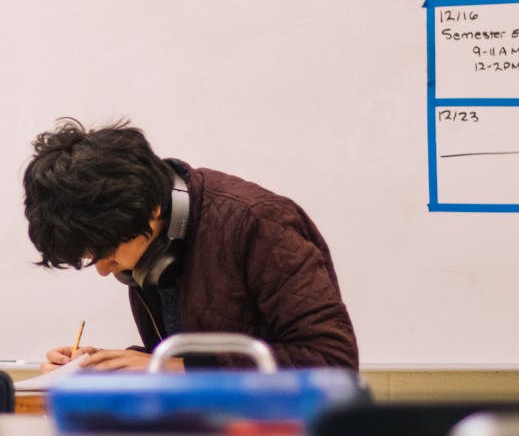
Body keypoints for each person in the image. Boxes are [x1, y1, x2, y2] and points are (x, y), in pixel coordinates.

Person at [22, 118, 358, 372]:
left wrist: (171, 369)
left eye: (107, 253)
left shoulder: (258, 221)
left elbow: (331, 361)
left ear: (151, 209)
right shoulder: (153, 243)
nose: (103, 270)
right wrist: (107, 367)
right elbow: (192, 355)